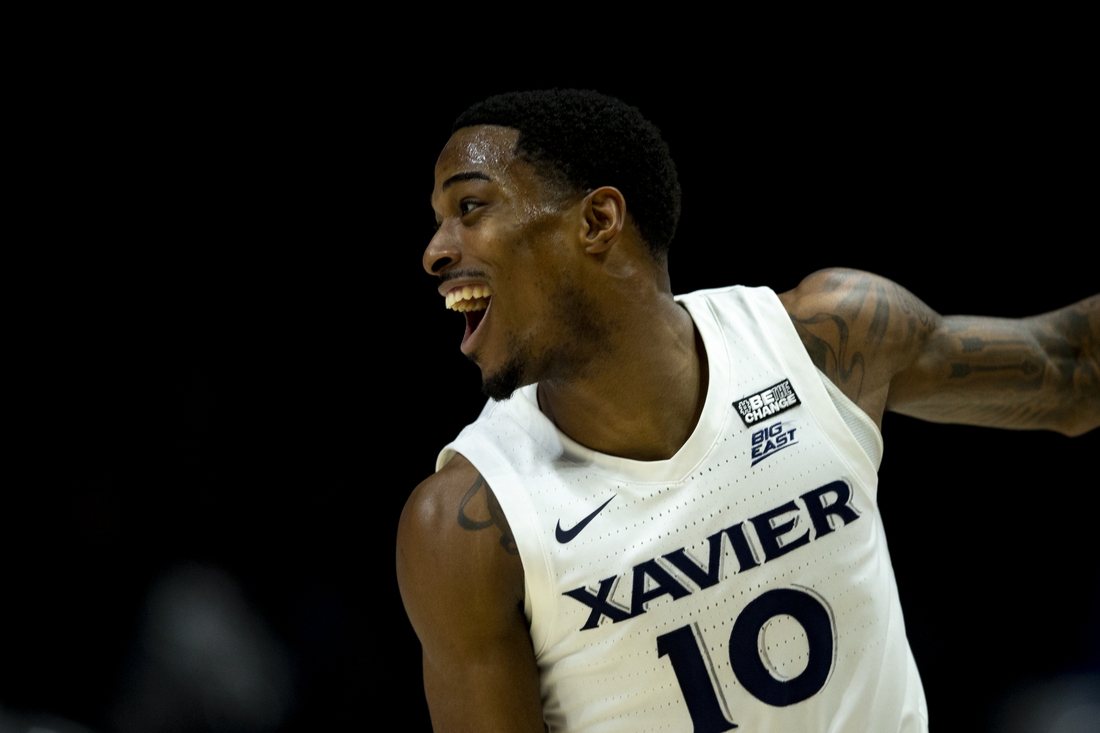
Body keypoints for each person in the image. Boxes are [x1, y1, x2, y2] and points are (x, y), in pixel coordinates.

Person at [396, 89, 1098, 733]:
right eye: (437, 222)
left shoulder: (823, 342)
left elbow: (1073, 371)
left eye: (469, 207)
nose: (434, 251)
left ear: (599, 220)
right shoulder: (467, 526)